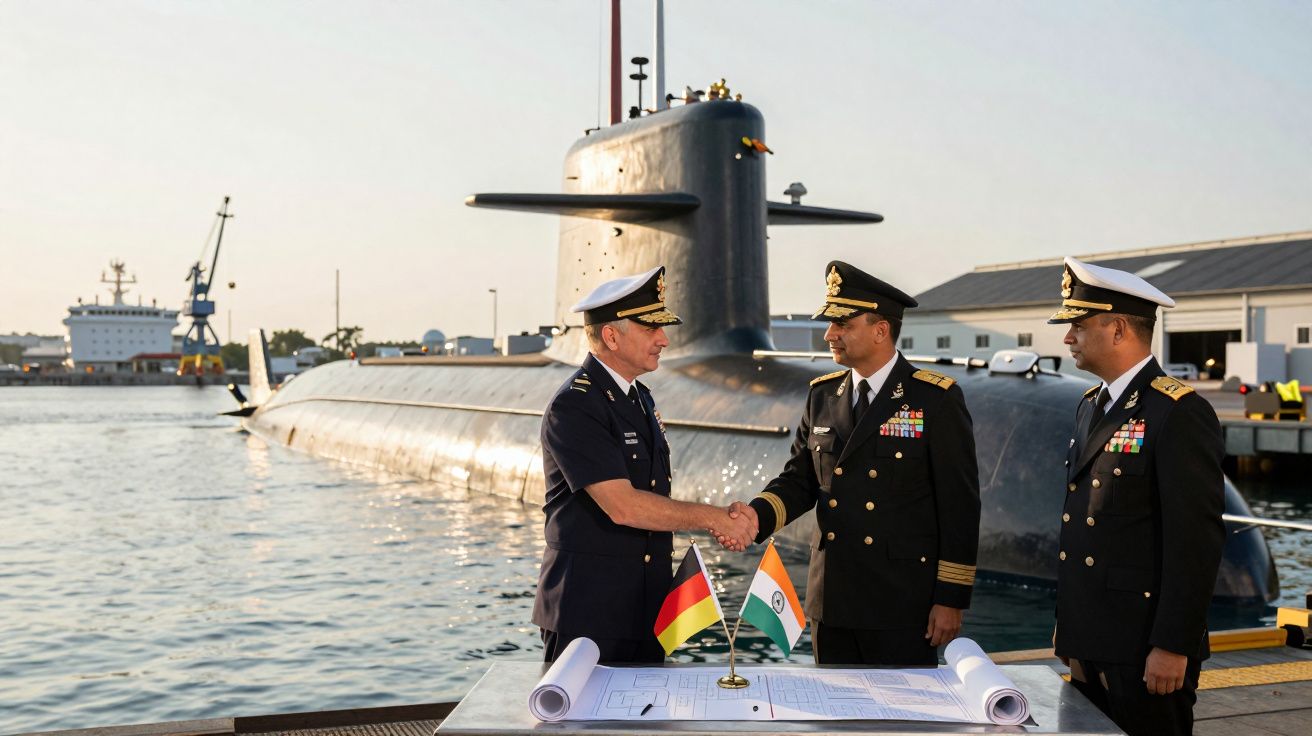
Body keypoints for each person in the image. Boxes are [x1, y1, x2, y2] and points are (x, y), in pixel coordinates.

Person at [723, 261, 981, 665]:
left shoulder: (934, 400)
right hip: (832, 601)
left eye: (842, 324)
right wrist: (755, 517)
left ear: (881, 330)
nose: (830, 334)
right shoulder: (823, 395)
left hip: (901, 604)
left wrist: (950, 599)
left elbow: (959, 506)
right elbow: (800, 481)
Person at [533, 265, 757, 664]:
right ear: (611, 336)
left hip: (647, 612)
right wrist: (715, 518)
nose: (664, 339)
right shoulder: (577, 405)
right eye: (651, 328)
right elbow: (624, 506)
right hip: (589, 616)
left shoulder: (639, 398)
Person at [1048, 257, 1224, 736]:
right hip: (1091, 639)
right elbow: (1082, 525)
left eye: (1078, 326)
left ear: (1119, 329)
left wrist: (1173, 645)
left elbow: (1196, 541)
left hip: (1144, 646)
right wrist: (1070, 625)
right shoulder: (1091, 406)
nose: (1068, 338)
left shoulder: (1177, 412)